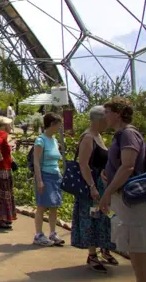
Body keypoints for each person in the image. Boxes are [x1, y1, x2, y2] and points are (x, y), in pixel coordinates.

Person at [99, 97, 146, 282]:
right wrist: (109, 175)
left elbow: (128, 167)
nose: (104, 116)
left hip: (132, 200)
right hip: (124, 198)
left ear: (118, 112)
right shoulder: (121, 135)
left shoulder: (128, 134)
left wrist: (107, 192)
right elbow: (121, 167)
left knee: (142, 248)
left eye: (107, 112)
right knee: (134, 246)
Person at [71, 106, 117, 273]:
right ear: (98, 120)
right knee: (93, 215)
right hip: (92, 186)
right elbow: (83, 164)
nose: (108, 123)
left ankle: (105, 248)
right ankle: (92, 254)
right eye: (106, 120)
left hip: (101, 184)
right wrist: (92, 186)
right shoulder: (88, 138)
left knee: (106, 215)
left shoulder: (98, 136)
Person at [32, 112, 65, 247]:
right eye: (58, 125)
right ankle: (38, 234)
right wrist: (39, 180)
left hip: (56, 175)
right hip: (45, 175)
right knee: (42, 206)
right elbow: (36, 162)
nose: (59, 128)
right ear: (52, 124)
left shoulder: (55, 140)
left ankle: (53, 233)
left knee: (54, 206)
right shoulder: (41, 140)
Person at [0, 116, 17, 229]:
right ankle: (3, 219)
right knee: (4, 193)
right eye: (10, 125)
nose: (11, 127)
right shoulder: (3, 134)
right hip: (2, 168)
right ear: (5, 126)